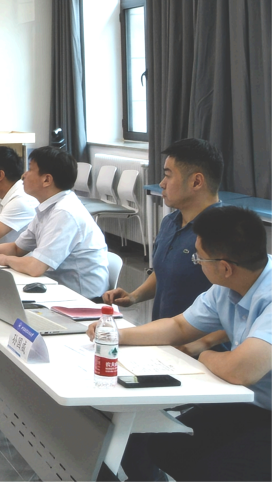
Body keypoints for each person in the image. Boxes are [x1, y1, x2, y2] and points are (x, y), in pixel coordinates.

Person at [97, 206, 272, 482]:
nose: (197, 263)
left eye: (199, 258)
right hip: (245, 403)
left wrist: (204, 355)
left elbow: (241, 371)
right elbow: (179, 326)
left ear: (225, 268)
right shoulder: (228, 286)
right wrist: (117, 335)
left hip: (263, 411)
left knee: (216, 469)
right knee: (160, 445)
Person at [103, 139, 222, 326]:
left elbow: (232, 306)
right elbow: (164, 272)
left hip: (196, 342)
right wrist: (133, 296)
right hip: (164, 336)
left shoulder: (223, 233)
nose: (162, 183)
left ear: (196, 181)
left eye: (168, 176)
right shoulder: (170, 222)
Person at [0, 146, 109, 299]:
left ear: (46, 180)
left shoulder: (64, 212)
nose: (24, 175)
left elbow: (35, 267)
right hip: (54, 287)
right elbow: (17, 248)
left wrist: (5, 260)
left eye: (30, 169)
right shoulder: (47, 207)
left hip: (82, 299)